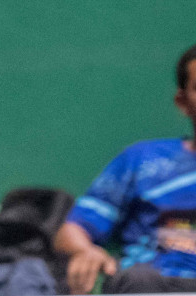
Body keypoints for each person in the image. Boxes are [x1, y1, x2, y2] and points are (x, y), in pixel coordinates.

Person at [54, 43, 196, 294]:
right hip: (153, 283)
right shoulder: (143, 160)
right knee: (139, 280)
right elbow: (73, 229)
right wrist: (86, 252)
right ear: (182, 101)